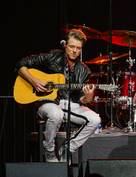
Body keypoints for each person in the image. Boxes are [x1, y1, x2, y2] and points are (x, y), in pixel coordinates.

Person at [14, 28, 101, 162]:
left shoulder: (84, 71)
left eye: (78, 48)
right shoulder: (52, 56)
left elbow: (80, 99)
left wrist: (88, 97)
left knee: (95, 119)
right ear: (65, 45)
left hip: (70, 105)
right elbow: (21, 64)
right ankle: (49, 151)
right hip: (47, 102)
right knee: (56, 114)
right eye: (72, 46)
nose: (74, 51)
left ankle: (68, 148)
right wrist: (34, 80)